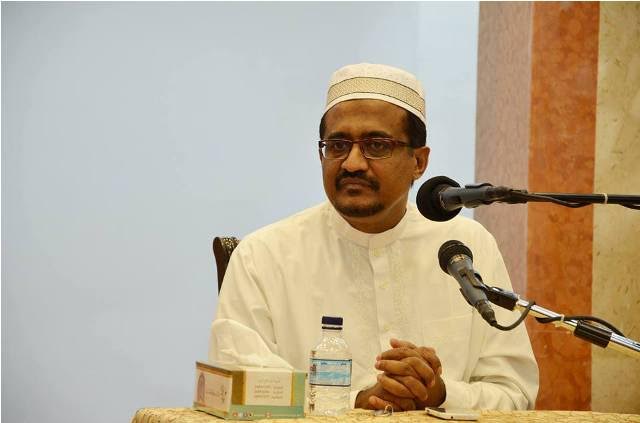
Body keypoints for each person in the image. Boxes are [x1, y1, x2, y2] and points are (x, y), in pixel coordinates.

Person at [210, 63, 539, 411]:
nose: (352, 163)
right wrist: (356, 402)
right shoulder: (263, 256)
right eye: (337, 145)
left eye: (377, 145)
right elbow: (238, 387)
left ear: (419, 162)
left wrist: (440, 394)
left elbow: (515, 392)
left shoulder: (465, 248)